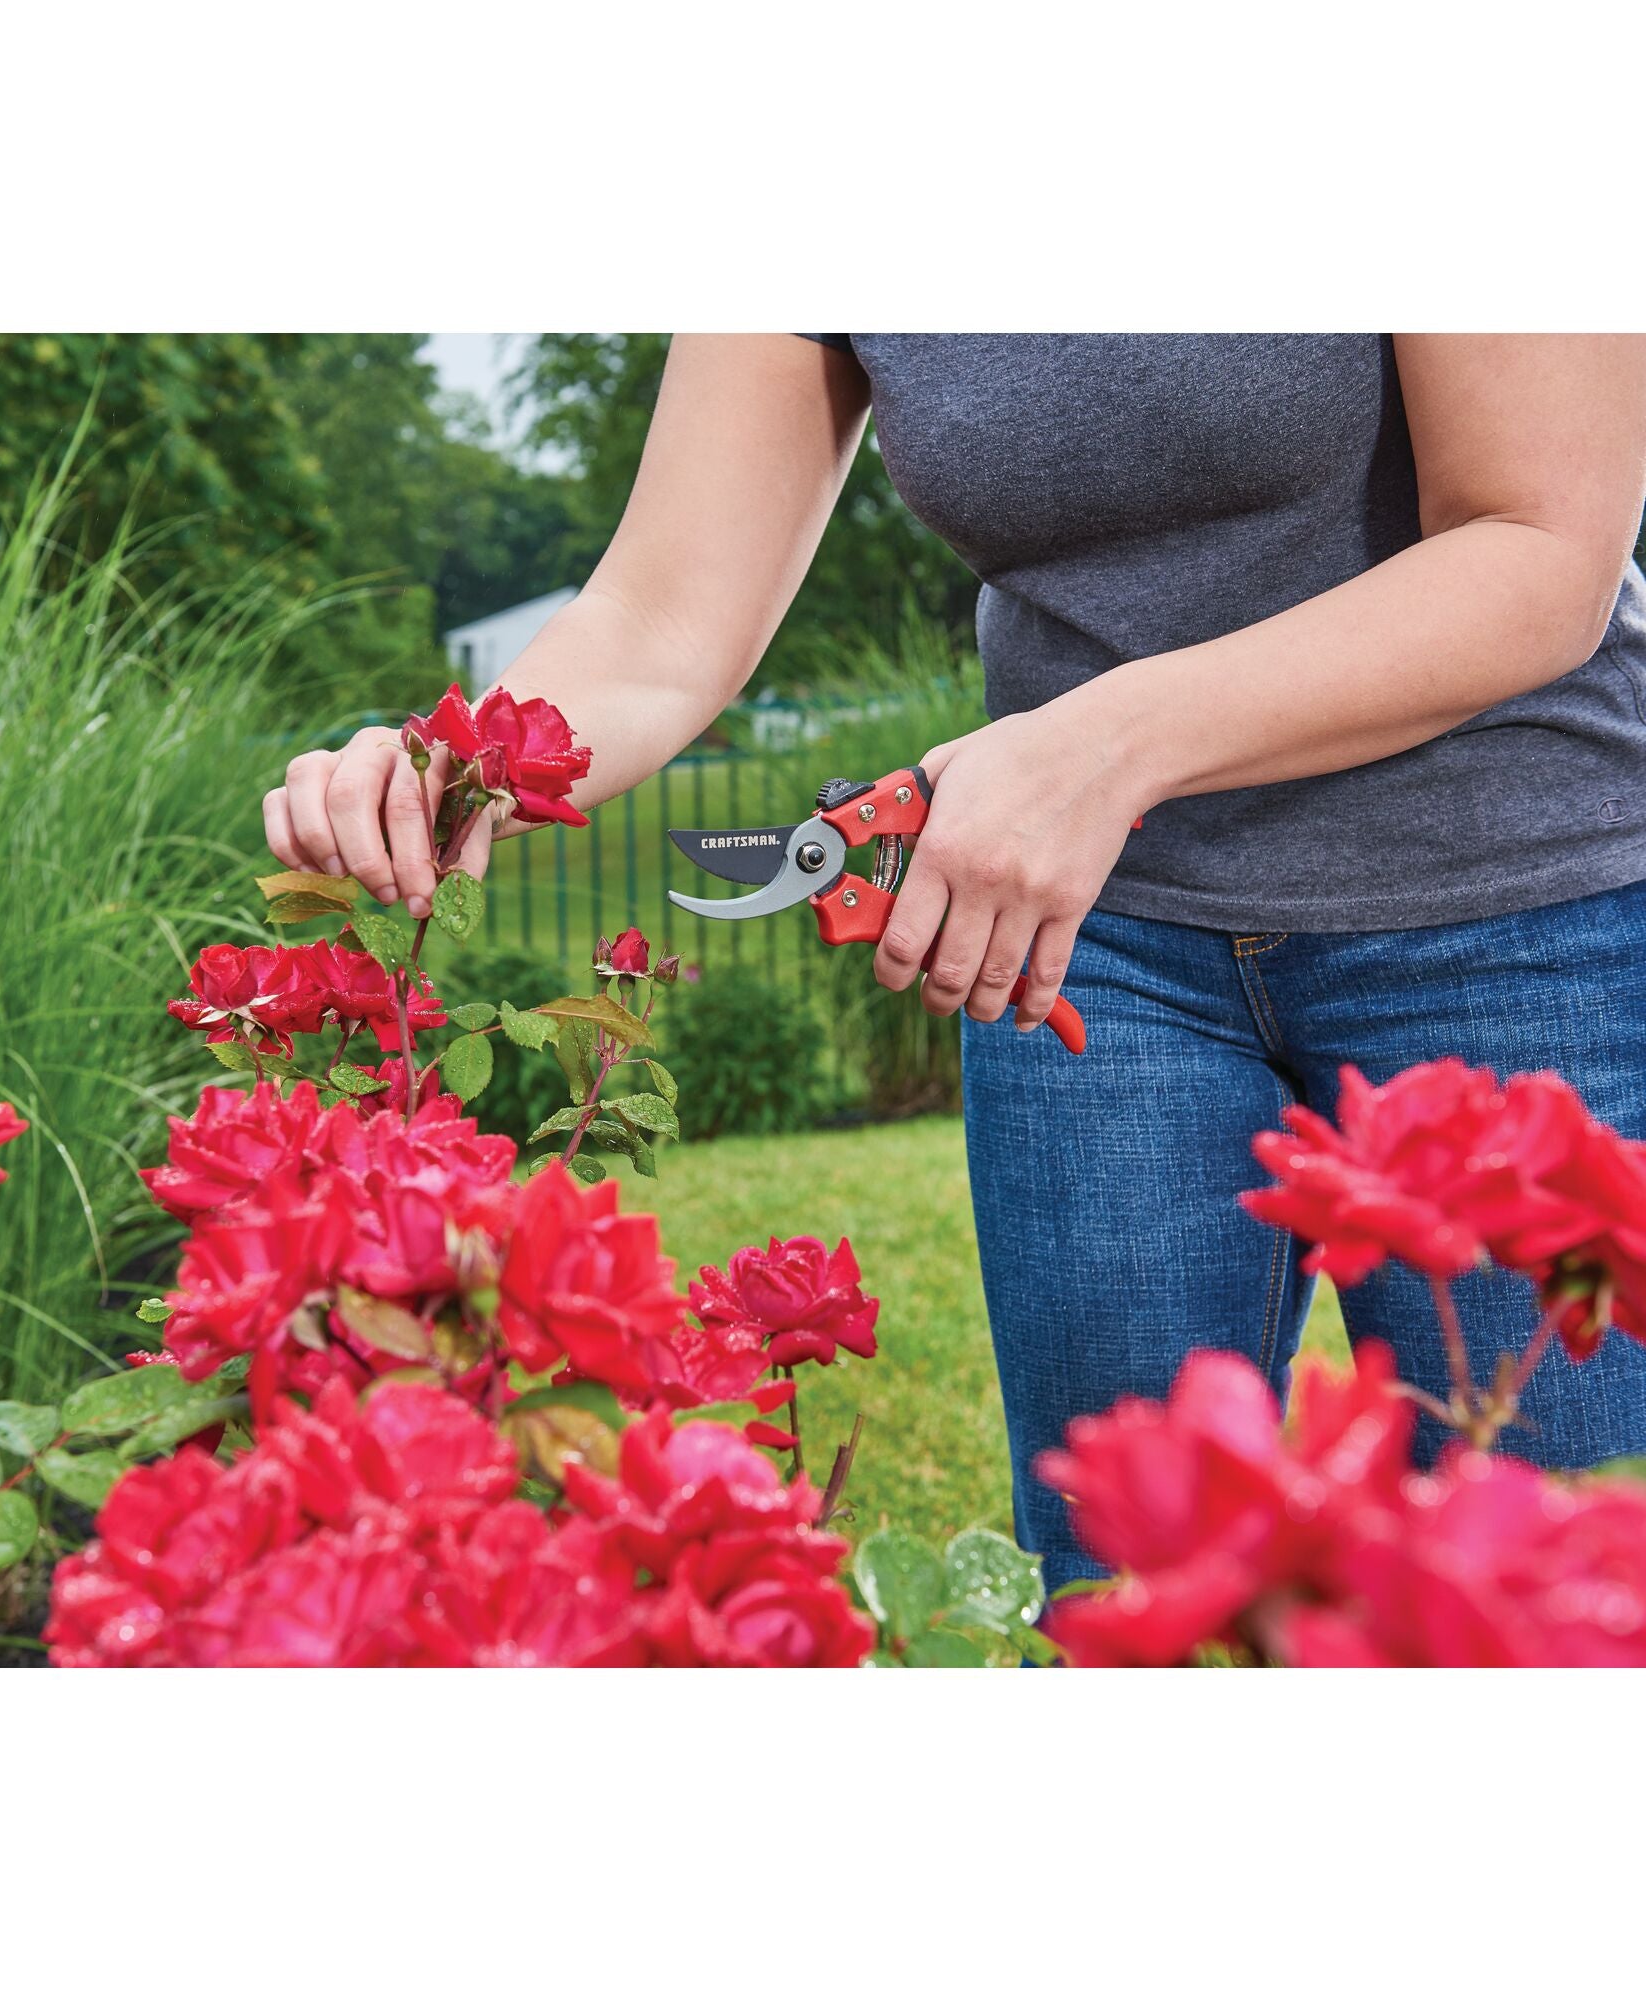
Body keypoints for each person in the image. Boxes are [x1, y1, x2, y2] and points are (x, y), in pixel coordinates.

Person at [264, 334, 1646, 1583]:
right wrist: (466, 761)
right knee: (1126, 1585)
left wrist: (1105, 746)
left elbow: (1538, 544)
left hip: (1506, 913)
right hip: (1071, 929)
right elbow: (663, 620)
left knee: (1546, 1579)